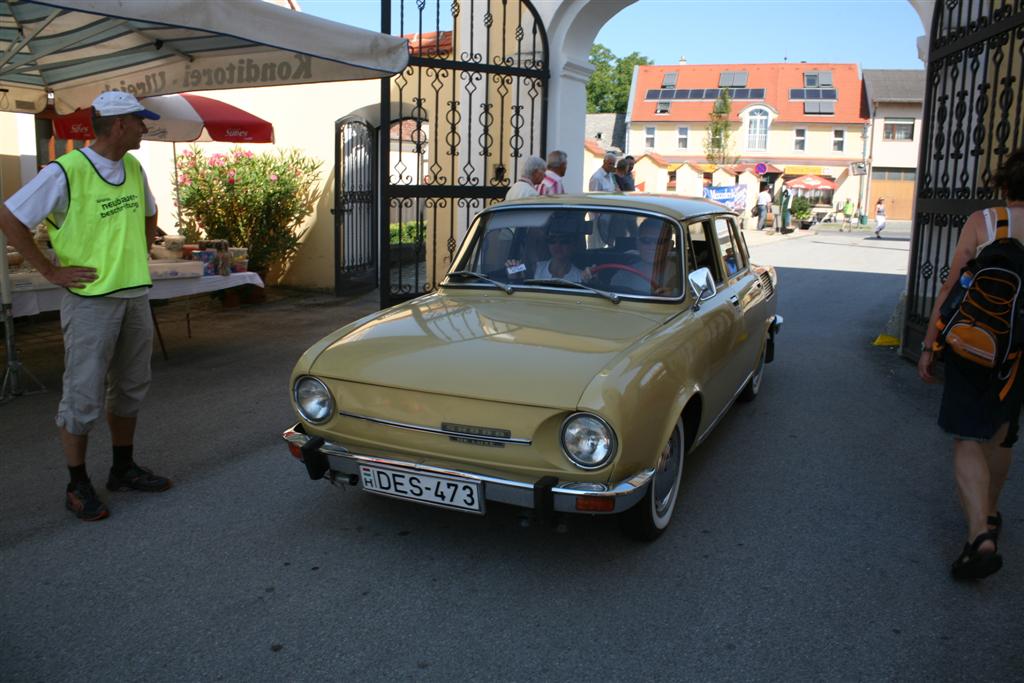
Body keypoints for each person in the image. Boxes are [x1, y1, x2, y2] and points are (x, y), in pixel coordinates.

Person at [0, 91, 171, 522]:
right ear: (118, 125)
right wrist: (49, 271)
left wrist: (142, 246)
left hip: (134, 296)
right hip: (91, 302)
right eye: (139, 121)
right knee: (83, 394)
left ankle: (122, 468)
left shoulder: (133, 167)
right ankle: (77, 484)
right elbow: (10, 217)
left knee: (131, 387)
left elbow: (151, 213)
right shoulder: (67, 170)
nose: (144, 128)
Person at [918, 147, 1024, 580]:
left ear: (1003, 183)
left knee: (966, 435)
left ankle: (979, 533)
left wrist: (930, 344)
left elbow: (952, 286)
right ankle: (993, 513)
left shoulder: (986, 221)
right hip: (1018, 352)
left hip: (976, 344)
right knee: (1001, 433)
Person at [608, 218, 680, 296]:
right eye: (646, 240)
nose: (653, 246)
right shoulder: (623, 275)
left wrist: (674, 294)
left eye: (659, 241)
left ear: (670, 245)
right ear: (638, 244)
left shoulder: (682, 276)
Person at [505, 228, 584, 283]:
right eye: (552, 240)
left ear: (573, 245)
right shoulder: (535, 268)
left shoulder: (581, 276)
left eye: (564, 241)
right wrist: (513, 271)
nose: (557, 245)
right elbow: (514, 274)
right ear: (547, 244)